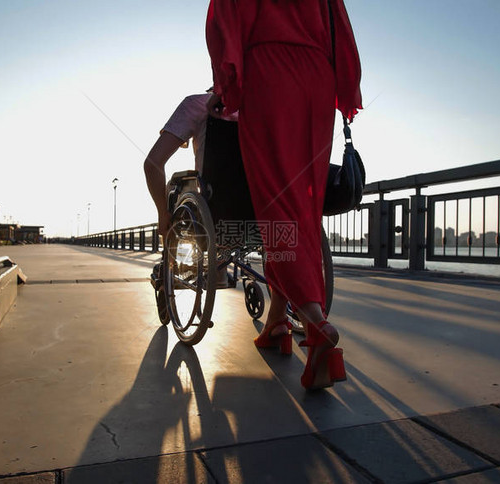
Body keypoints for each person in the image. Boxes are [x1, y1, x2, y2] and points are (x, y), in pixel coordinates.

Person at [207, 0, 362, 390]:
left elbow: (227, 15)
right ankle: (276, 319)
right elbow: (338, 25)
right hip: (318, 77)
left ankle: (314, 321)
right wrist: (344, 87)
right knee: (304, 208)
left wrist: (226, 84)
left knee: (276, 203)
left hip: (271, 70)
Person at [144, 90, 237, 237]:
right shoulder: (269, 108)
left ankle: (170, 255)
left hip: (215, 209)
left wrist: (162, 213)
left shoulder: (198, 105)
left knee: (173, 187)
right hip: (266, 210)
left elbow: (152, 164)